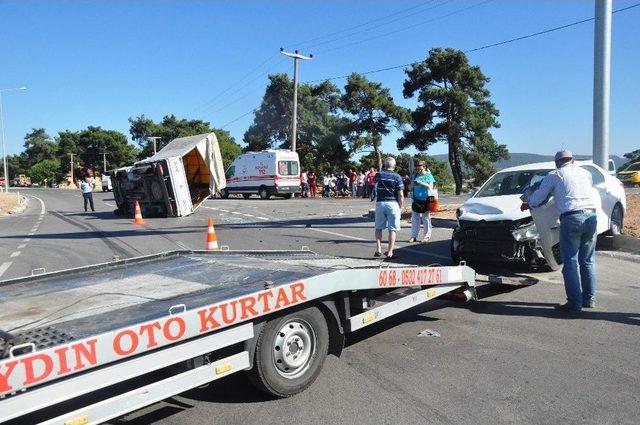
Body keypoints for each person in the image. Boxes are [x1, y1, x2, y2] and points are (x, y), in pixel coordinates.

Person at [522, 150, 598, 313]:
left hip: (572, 219)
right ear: (573, 160)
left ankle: (574, 303)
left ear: (557, 163)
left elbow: (538, 198)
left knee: (570, 262)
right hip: (591, 217)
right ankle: (589, 299)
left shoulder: (554, 175)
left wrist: (528, 202)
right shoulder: (585, 173)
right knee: (588, 261)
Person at [373, 157, 404, 259]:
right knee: (392, 229)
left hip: (381, 202)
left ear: (385, 165)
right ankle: (390, 252)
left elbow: (374, 183)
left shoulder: (379, 175)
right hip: (393, 203)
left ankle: (378, 249)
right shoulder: (397, 177)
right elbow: (400, 194)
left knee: (378, 227)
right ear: (394, 166)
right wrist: (401, 205)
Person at [409, 161, 435, 243]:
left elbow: (430, 187)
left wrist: (421, 183)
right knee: (415, 219)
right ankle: (414, 236)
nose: (417, 167)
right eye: (417, 166)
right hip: (416, 199)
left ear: (424, 166)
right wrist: (412, 185)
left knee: (426, 218)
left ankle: (427, 236)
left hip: (426, 200)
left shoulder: (428, 175)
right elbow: (410, 188)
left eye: (419, 166)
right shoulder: (415, 175)